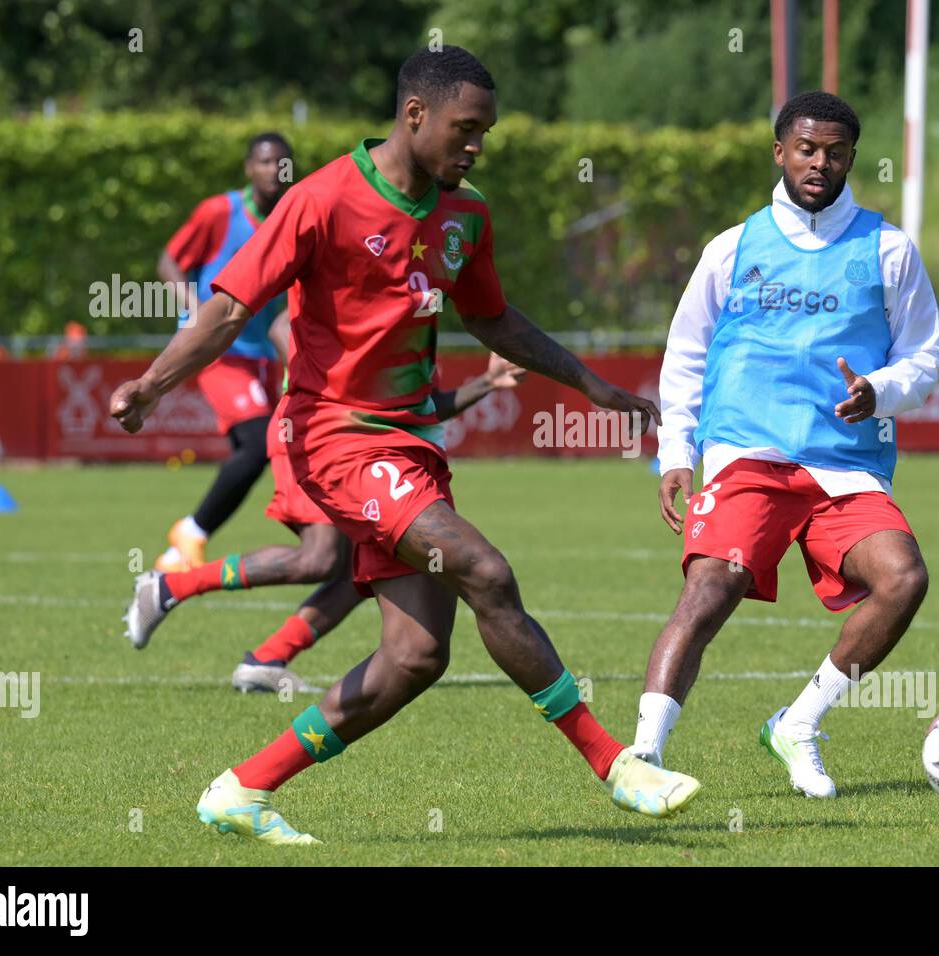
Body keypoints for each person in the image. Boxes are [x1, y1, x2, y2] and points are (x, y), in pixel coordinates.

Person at [110, 45, 701, 844]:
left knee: (416, 656)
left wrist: (589, 384)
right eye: (466, 128)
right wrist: (151, 383)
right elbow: (229, 304)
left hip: (406, 443)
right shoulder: (320, 199)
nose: (477, 145)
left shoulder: (467, 214)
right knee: (486, 570)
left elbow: (492, 317)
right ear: (414, 114)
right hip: (333, 437)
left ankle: (243, 789)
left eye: (486, 131)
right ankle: (614, 764)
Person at [631, 91, 939, 798]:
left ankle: (798, 724)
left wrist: (880, 391)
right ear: (780, 151)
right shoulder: (734, 247)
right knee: (712, 586)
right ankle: (644, 755)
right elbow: (686, 353)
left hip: (845, 463)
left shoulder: (888, 249)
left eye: (835, 151)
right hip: (750, 452)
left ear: (852, 158)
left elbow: (926, 357)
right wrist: (677, 452)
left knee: (903, 579)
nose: (820, 162)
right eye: (807, 148)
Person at [124, 345, 528, 698]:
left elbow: (420, 408)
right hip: (315, 431)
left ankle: (267, 658)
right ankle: (168, 586)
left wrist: (488, 382)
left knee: (369, 570)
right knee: (318, 559)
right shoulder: (362, 277)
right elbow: (286, 321)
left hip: (364, 449)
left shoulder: (416, 306)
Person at [151, 133, 294, 573]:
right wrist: (196, 312)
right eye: (266, 162)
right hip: (217, 351)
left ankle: (176, 559)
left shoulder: (293, 217)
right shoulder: (220, 212)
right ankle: (191, 533)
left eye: (283, 163)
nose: (275, 171)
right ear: (249, 168)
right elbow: (168, 261)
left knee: (269, 449)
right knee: (257, 445)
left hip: (260, 357)